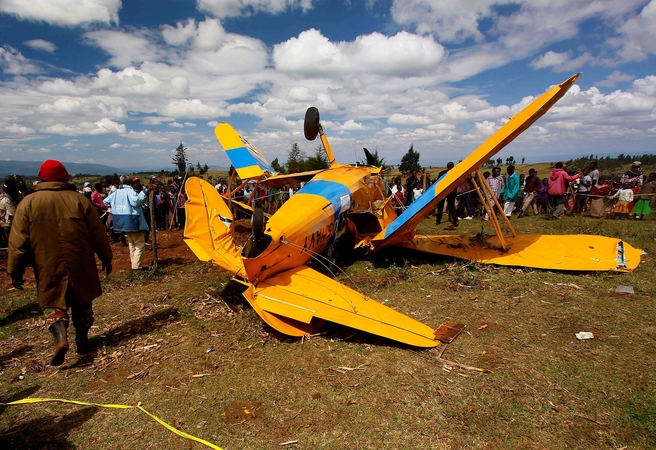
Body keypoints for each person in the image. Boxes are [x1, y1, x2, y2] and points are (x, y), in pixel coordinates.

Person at [7, 160, 113, 366]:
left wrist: (15, 270)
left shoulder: (28, 203)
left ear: (41, 178)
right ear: (65, 178)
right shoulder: (79, 200)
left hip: (46, 261)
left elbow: (18, 241)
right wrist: (106, 256)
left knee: (54, 302)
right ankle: (82, 343)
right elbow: (98, 233)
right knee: (82, 302)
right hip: (79, 259)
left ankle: (60, 338)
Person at [104, 176, 150, 271]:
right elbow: (137, 202)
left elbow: (106, 201)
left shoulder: (116, 193)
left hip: (120, 220)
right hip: (132, 219)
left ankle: (134, 264)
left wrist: (118, 206)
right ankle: (136, 267)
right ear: (130, 183)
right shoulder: (130, 192)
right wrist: (145, 191)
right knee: (140, 244)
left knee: (132, 243)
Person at [0, 175, 20, 247]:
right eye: (14, 183)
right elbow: (14, 214)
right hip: (8, 225)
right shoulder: (6, 198)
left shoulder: (10, 194)